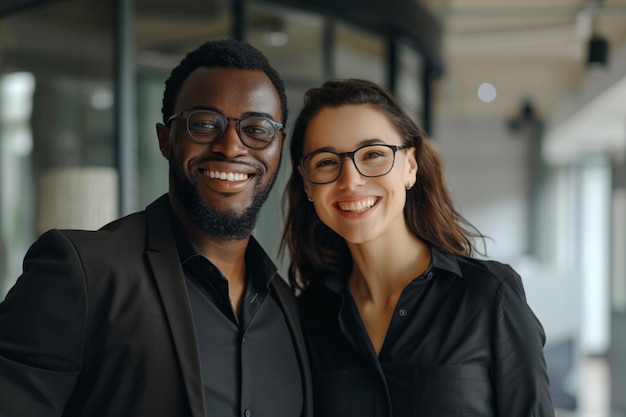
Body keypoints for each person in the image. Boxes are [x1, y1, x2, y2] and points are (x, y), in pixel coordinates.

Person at [0, 39, 312, 417]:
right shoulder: (82, 273)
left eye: (257, 129)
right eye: (203, 124)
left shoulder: (290, 307)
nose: (230, 147)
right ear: (166, 140)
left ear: (278, 146)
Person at [281, 78, 554, 417]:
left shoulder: (488, 296)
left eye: (374, 155)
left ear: (409, 166)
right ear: (307, 183)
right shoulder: (307, 318)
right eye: (326, 162)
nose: (350, 180)